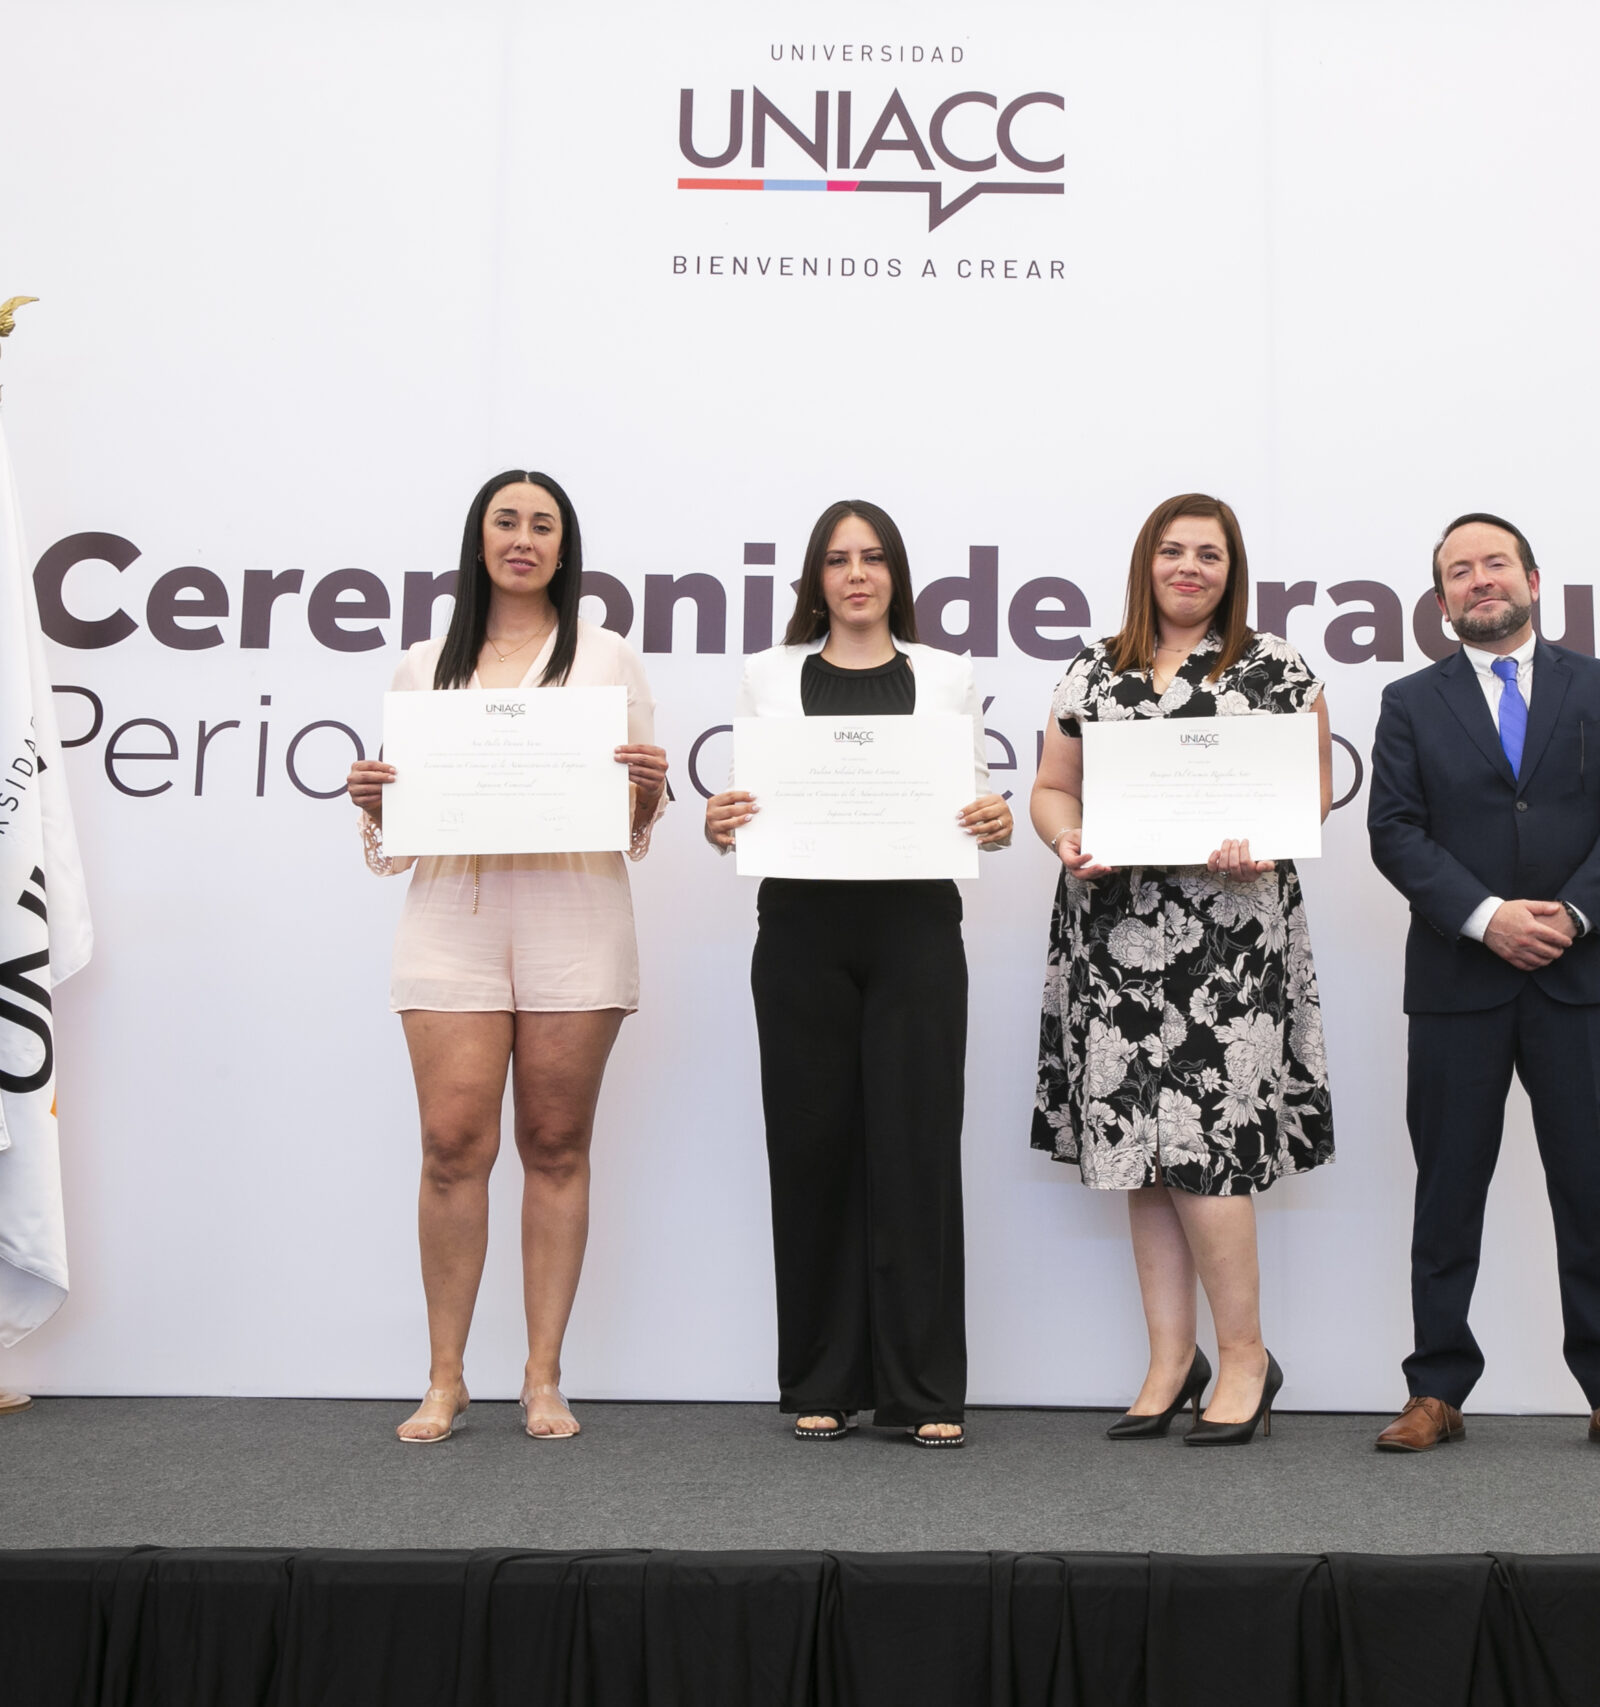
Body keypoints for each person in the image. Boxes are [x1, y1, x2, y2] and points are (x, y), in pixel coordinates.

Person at [345, 469, 668, 1444]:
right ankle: (444, 1377)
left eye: (543, 525)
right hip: (455, 917)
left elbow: (634, 820)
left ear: (565, 549)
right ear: (478, 539)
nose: (523, 538)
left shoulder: (607, 657)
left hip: (575, 915)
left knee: (556, 1143)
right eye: (506, 521)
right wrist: (376, 800)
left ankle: (542, 1375)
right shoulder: (422, 665)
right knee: (452, 1145)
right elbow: (400, 837)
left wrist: (648, 789)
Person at [1027, 492, 1334, 1446]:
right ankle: (1171, 1358)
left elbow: (1313, 793)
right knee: (1143, 1154)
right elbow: (1051, 788)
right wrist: (1066, 837)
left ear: (1232, 569)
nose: (1189, 567)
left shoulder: (1276, 667)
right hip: (1114, 935)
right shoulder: (1093, 669)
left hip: (1228, 941)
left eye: (1209, 553)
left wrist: (1267, 834)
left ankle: (1245, 1356)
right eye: (1173, 551)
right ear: (1146, 563)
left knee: (1209, 1150)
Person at [703, 500, 1012, 1448]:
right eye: (838, 560)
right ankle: (822, 1378)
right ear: (816, 579)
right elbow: (749, 811)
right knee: (811, 1148)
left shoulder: (946, 674)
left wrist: (994, 820)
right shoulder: (768, 675)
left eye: (873, 558)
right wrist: (720, 824)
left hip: (916, 928)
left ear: (896, 574)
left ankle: (925, 1388)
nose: (856, 575)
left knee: (918, 1149)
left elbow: (971, 805)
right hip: (801, 929)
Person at [1364, 512, 1600, 1456]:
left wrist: (1570, 916)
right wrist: (1486, 915)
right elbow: (1395, 832)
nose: (1479, 580)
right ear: (1442, 599)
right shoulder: (1410, 702)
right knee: (1446, 1193)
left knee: (1592, 1192)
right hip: (1458, 980)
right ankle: (1435, 1389)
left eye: (1494, 563)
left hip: (1580, 979)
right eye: (1459, 571)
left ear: (1534, 580)